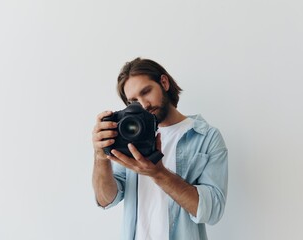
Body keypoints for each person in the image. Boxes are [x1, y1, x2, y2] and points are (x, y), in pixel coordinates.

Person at [92, 57, 228, 240]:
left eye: (146, 92)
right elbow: (106, 199)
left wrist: (158, 173)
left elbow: (212, 211)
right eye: (134, 101)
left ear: (164, 82)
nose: (144, 105)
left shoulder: (206, 137)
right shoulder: (128, 139)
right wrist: (100, 157)